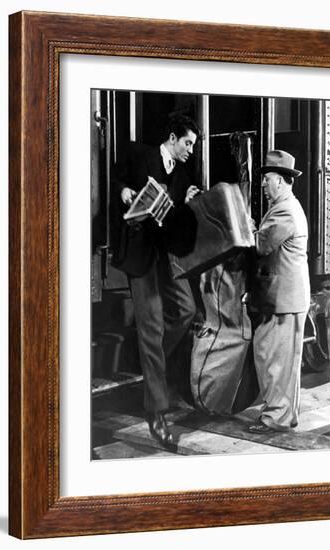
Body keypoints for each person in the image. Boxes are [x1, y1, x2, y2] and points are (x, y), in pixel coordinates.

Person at [111, 114, 201, 449]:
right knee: (151, 330)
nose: (191, 150)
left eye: (193, 145)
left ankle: (153, 371)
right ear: (173, 137)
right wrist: (123, 192)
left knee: (186, 311)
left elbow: (176, 225)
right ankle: (157, 413)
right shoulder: (139, 154)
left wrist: (187, 205)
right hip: (139, 256)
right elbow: (115, 178)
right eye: (188, 143)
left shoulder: (181, 176)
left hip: (165, 257)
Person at [247, 150, 310, 434]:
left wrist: (243, 227)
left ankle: (276, 419)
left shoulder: (285, 210)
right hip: (284, 298)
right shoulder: (285, 206)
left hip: (284, 299)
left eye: (267, 179)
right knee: (279, 363)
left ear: (282, 182)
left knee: (277, 364)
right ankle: (284, 416)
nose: (263, 184)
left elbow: (260, 246)